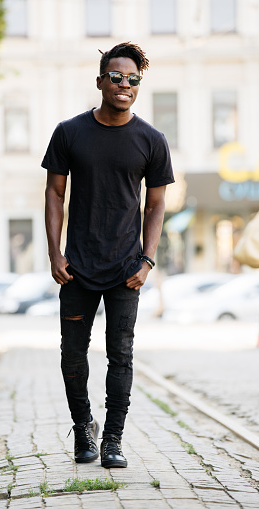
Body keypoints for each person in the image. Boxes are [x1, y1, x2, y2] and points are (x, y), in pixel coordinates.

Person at [43, 42, 174, 468]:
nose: (124, 85)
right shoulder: (70, 132)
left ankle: (113, 440)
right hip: (77, 268)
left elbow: (155, 205)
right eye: (116, 77)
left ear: (139, 85)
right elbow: (55, 193)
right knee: (72, 353)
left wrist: (147, 260)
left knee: (121, 355)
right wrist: (54, 253)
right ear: (100, 81)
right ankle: (84, 429)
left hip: (124, 270)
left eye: (132, 79)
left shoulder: (151, 140)